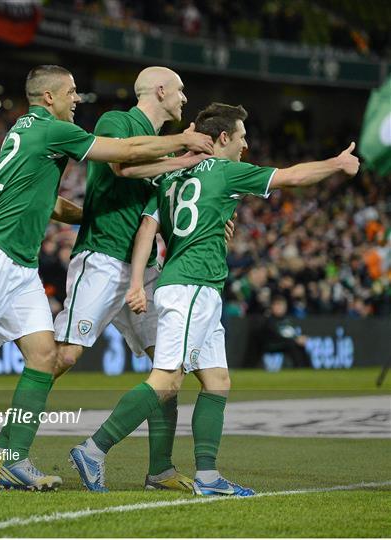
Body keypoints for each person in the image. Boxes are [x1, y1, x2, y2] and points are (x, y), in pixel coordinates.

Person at [0, 64, 214, 492]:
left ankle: (12, 459)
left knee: (44, 357)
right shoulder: (52, 130)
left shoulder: (34, 132)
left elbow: (51, 204)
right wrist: (183, 143)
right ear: (49, 97)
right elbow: (123, 155)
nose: (77, 99)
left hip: (21, 265)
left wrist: (93, 215)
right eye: (71, 92)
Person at [68, 102, 359, 495]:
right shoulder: (225, 171)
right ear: (223, 138)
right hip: (192, 286)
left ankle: (207, 477)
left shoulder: (173, 175)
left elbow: (146, 229)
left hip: (193, 286)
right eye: (241, 137)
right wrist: (336, 164)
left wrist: (139, 280)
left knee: (217, 381)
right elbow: (291, 176)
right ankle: (93, 448)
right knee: (167, 380)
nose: (245, 144)